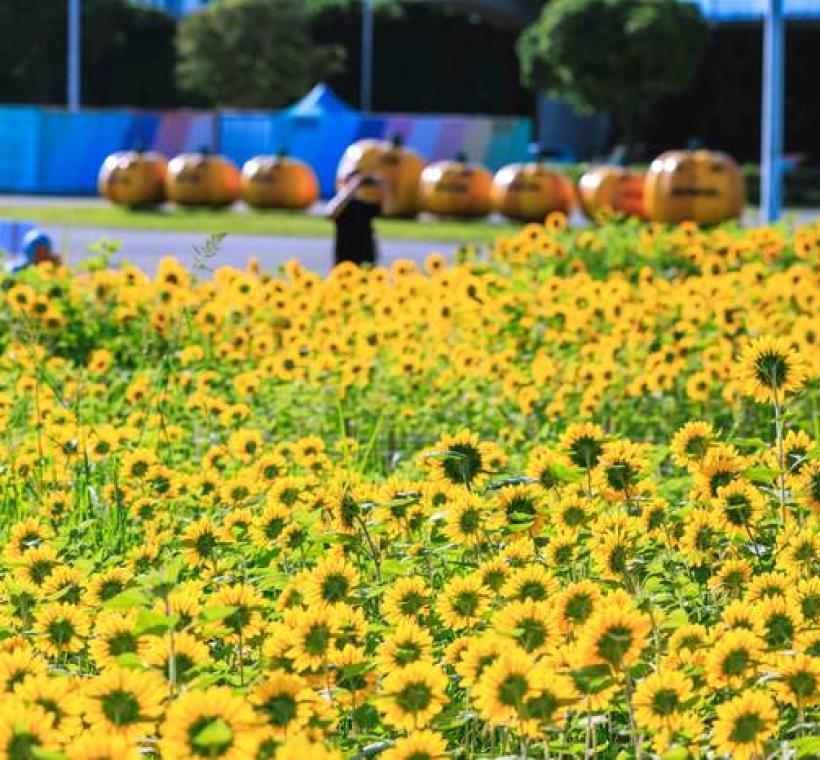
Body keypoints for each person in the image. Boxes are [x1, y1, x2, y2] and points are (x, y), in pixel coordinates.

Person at [326, 171, 385, 266]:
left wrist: (381, 185)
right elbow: (330, 212)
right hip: (345, 262)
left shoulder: (367, 205)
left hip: (366, 260)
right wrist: (351, 189)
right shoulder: (343, 206)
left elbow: (388, 210)